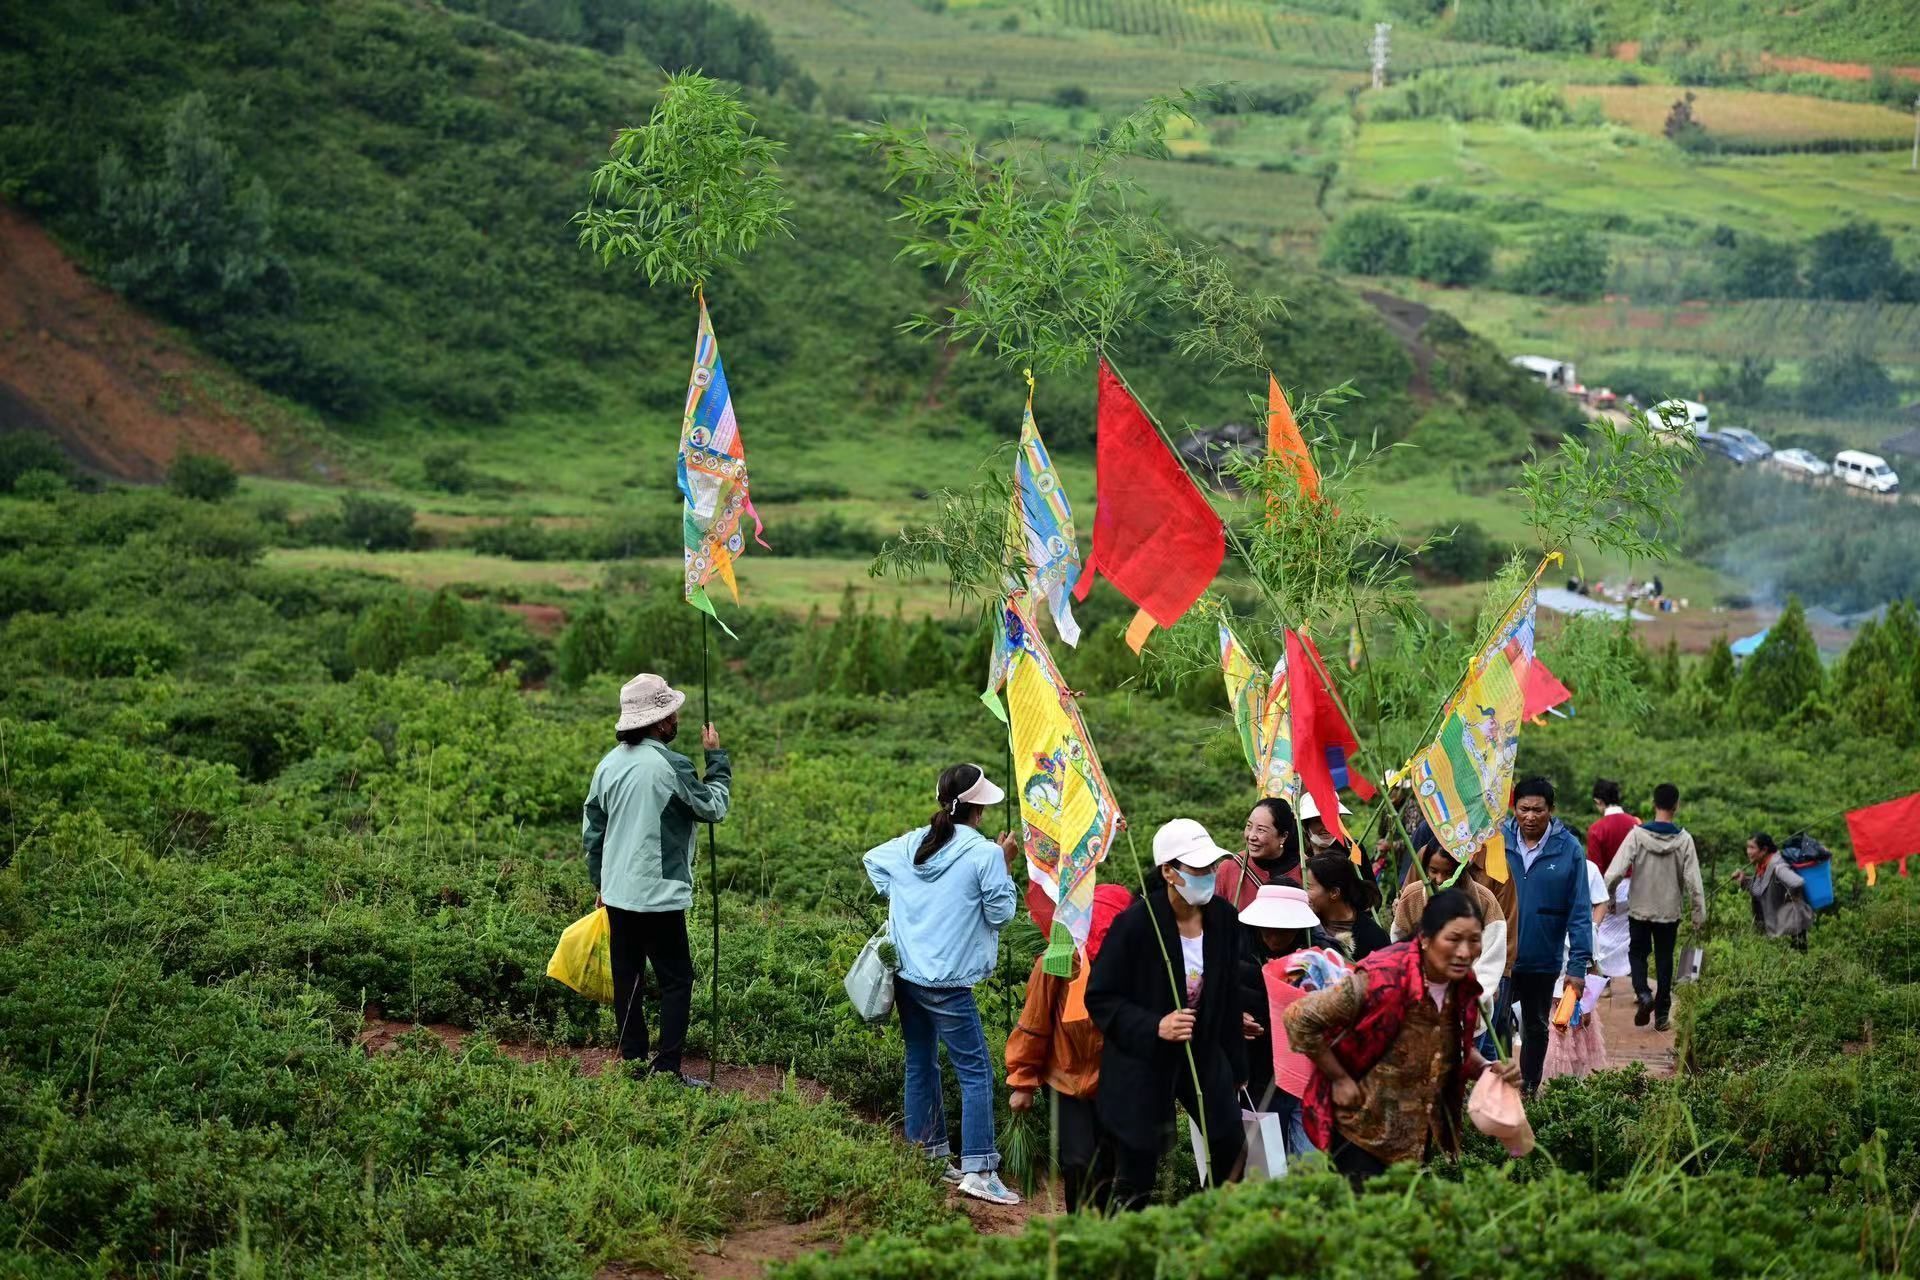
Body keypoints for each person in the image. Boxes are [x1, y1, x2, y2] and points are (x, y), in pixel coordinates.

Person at [1283, 889, 1523, 1185]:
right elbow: (1299, 1018)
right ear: (1425, 938)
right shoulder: (1381, 978)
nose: (1465, 952)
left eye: (1474, 940)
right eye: (1453, 939)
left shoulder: (1460, 984)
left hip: (1415, 1137)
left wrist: (1487, 1067)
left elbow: (1448, 1044)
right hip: (1360, 1133)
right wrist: (1339, 1078)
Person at [863, 764, 1021, 1206]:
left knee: (921, 1061)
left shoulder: (914, 842)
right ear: (979, 809)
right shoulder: (985, 854)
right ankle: (980, 1169)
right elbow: (1001, 915)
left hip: (908, 975)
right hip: (949, 981)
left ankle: (927, 1153)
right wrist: (1005, 864)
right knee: (975, 1071)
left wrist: (909, 903)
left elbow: (874, 862)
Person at [1087, 819, 1247, 1210]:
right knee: (1139, 1156)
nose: (1209, 876)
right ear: (1169, 872)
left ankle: (1212, 1221)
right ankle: (1130, 1237)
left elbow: (1227, 993)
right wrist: (1155, 1024)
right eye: (1197, 870)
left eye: (1211, 868)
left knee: (1230, 1142)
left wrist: (1237, 1065)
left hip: (1203, 1049)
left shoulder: (1223, 919)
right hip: (1144, 1057)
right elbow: (1101, 997)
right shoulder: (1137, 925)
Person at [583, 672, 731, 1088]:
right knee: (676, 980)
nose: (676, 718)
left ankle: (632, 1063)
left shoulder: (608, 765)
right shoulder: (672, 765)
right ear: (661, 722)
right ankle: (666, 1070)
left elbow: (593, 830)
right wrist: (716, 760)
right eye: (672, 712)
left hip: (617, 894)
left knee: (627, 977)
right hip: (658, 896)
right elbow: (713, 807)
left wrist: (601, 882)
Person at [1005, 883, 1134, 1214]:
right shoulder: (1058, 960)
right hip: (1066, 1076)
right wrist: (1023, 1081)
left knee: (1108, 1167)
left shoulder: (1134, 966)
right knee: (1077, 1161)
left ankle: (1103, 1232)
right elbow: (1035, 1022)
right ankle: (1080, 1223)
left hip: (1114, 1083)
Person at [1503, 777, 1593, 1096]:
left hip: (1543, 957)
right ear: (1514, 808)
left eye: (1538, 810)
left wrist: (1578, 967)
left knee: (1536, 1024)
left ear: (1551, 810)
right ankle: (1496, 1084)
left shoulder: (1568, 849)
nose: (1529, 817)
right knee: (1496, 1020)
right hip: (1501, 956)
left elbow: (1580, 910)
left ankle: (1528, 1087)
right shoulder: (1497, 842)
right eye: (1523, 809)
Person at [1602, 782, 1706, 1033]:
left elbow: (1613, 873)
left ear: (1654, 805)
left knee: (1637, 953)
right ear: (1676, 806)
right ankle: (1661, 1015)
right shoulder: (1684, 840)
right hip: (1669, 911)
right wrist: (1697, 913)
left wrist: (1611, 900)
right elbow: (1694, 881)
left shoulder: (1638, 835)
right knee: (1664, 959)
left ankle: (1643, 993)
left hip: (1640, 909)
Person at [1236, 884, 1326, 1159]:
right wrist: (1233, 1019)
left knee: (1308, 1166)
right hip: (1257, 1077)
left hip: (1308, 1075)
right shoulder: (1234, 952)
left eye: (1283, 928)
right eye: (1268, 927)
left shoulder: (1320, 956)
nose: (1274, 935)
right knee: (1266, 1165)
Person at [1542, 859, 1610, 1081]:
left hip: (1573, 998)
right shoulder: (1546, 923)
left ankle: (1566, 1091)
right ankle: (1553, 1088)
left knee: (1575, 1042)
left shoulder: (1586, 929)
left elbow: (1593, 967)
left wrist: (1588, 1005)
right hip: (1551, 995)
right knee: (1554, 1041)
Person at [1388, 824, 1504, 945]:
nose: (1439, 880)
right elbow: (1398, 943)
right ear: (1425, 867)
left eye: (1449, 873)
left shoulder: (1486, 900)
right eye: (1433, 871)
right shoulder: (1412, 896)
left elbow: (1494, 951)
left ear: (1460, 869)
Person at [1215, 798, 1303, 909]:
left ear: (1283, 836)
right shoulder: (1230, 868)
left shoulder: (1304, 871)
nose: (1251, 836)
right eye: (1249, 826)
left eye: (1261, 830)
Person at [1735, 833, 1813, 950]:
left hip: (1791, 924)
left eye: (1752, 847)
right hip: (1781, 926)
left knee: (1797, 958)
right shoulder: (1762, 865)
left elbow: (1798, 882)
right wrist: (1744, 880)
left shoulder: (1778, 866)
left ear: (1764, 850)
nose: (1748, 851)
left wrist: (1790, 895)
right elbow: (1759, 891)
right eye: (1748, 847)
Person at [1306, 853, 1388, 962]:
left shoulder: (1374, 938)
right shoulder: (1305, 926)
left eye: (1308, 887)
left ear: (1334, 892)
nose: (1304, 892)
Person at [1586, 778, 1640, 877]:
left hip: (1609, 888)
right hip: (1637, 886)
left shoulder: (1596, 829)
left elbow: (1595, 870)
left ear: (1598, 801)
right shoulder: (1635, 823)